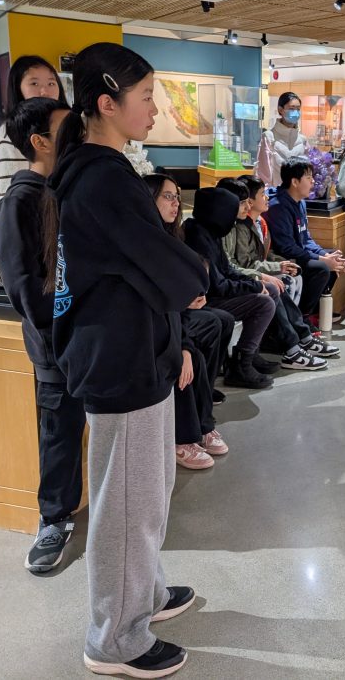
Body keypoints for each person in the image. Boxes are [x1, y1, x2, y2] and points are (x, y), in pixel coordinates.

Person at [45, 42, 207, 677]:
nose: (155, 109)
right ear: (106, 104)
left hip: (136, 353)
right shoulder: (103, 178)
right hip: (120, 360)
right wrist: (193, 281)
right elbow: (159, 262)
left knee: (148, 492)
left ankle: (143, 595)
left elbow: (143, 266)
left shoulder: (101, 171)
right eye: (145, 98)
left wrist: (177, 325)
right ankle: (114, 638)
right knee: (127, 504)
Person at [0, 96, 84, 574]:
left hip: (91, 337)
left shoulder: (67, 187)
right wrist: (66, 318)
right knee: (60, 432)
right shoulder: (19, 202)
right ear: (39, 141)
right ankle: (54, 519)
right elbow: (25, 290)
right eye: (66, 128)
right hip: (56, 345)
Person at [144, 174, 233, 470]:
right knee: (189, 352)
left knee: (216, 325)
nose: (175, 203)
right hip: (151, 325)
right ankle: (185, 437)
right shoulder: (145, 242)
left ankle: (203, 424)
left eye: (177, 196)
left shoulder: (172, 236)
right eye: (168, 196)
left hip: (172, 316)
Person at [217, 178, 335, 370]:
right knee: (273, 288)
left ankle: (300, 338)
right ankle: (291, 346)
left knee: (294, 278)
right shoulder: (231, 227)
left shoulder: (248, 223)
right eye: (243, 202)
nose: (248, 206)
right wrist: (266, 274)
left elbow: (257, 256)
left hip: (236, 279)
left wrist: (280, 264)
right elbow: (235, 265)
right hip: (227, 286)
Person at [182, 187, 282, 387]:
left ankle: (250, 353)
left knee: (270, 289)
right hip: (206, 299)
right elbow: (216, 285)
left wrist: (255, 283)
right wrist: (253, 287)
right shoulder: (198, 237)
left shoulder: (210, 232)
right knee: (264, 303)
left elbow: (227, 270)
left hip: (217, 292)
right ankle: (241, 365)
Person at [265, 156, 345, 317]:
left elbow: (306, 238)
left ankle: (313, 313)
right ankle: (301, 317)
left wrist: (325, 255)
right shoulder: (278, 206)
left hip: (297, 253)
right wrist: (322, 260)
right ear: (295, 182)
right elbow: (286, 248)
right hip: (282, 258)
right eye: (309, 177)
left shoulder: (301, 202)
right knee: (322, 268)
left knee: (333, 258)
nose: (313, 181)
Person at [0, 55, 65, 197]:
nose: (45, 92)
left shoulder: (62, 124)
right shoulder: (9, 134)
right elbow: (14, 197)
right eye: (34, 84)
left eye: (51, 83)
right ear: (17, 89)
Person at [261, 91, 308, 172]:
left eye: (298, 109)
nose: (296, 112)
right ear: (280, 109)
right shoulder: (269, 137)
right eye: (291, 109)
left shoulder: (303, 140)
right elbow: (263, 171)